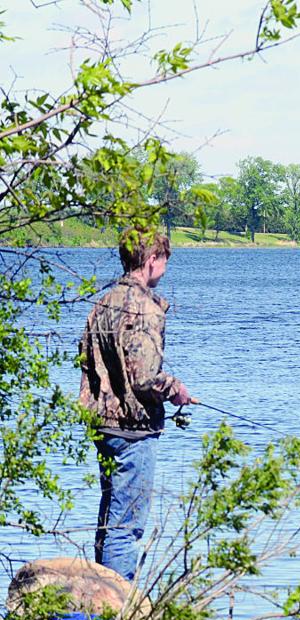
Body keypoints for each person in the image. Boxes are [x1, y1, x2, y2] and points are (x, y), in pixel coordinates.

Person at [79, 227, 195, 581]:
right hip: (132, 430)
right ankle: (118, 608)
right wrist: (175, 389)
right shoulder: (145, 309)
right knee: (125, 526)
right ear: (151, 260)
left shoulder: (103, 301)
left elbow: (86, 359)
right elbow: (144, 377)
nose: (164, 269)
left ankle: (98, 601)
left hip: (102, 424)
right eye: (164, 261)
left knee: (108, 519)